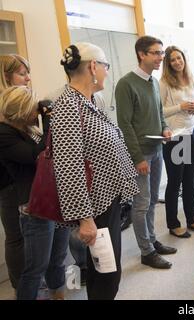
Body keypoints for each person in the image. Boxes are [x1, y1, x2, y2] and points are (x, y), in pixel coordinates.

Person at [52, 42, 139, 300]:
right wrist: (84, 218)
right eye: (105, 66)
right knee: (105, 274)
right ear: (93, 66)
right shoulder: (68, 105)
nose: (106, 72)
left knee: (109, 271)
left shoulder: (91, 101)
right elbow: (68, 166)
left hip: (107, 200)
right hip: (94, 209)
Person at [0, 86, 70, 300]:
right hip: (34, 205)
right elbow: (37, 156)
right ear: (21, 111)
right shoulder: (4, 134)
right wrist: (48, 123)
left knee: (58, 257)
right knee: (36, 267)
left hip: (53, 197)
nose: (37, 112)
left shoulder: (28, 128)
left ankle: (58, 294)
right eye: (33, 108)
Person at [115, 36, 176, 269]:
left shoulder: (152, 82)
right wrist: (138, 158)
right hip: (141, 154)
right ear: (142, 54)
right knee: (140, 204)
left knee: (151, 202)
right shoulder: (126, 84)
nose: (161, 57)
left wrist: (166, 128)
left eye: (161, 53)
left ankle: (151, 240)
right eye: (156, 53)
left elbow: (160, 114)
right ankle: (146, 252)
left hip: (157, 148)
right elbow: (125, 124)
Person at [160, 46, 194, 238]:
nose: (177, 62)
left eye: (179, 58)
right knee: (175, 182)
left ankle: (191, 219)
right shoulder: (163, 83)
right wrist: (180, 106)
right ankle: (173, 224)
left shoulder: (191, 79)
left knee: (190, 180)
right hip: (174, 137)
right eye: (173, 60)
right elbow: (159, 111)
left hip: (192, 133)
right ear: (168, 64)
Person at [0, 54, 30, 292]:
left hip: (23, 179)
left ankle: (32, 285)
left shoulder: (21, 103)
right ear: (6, 76)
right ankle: (22, 289)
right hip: (8, 183)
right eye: (21, 73)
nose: (27, 78)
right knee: (16, 238)